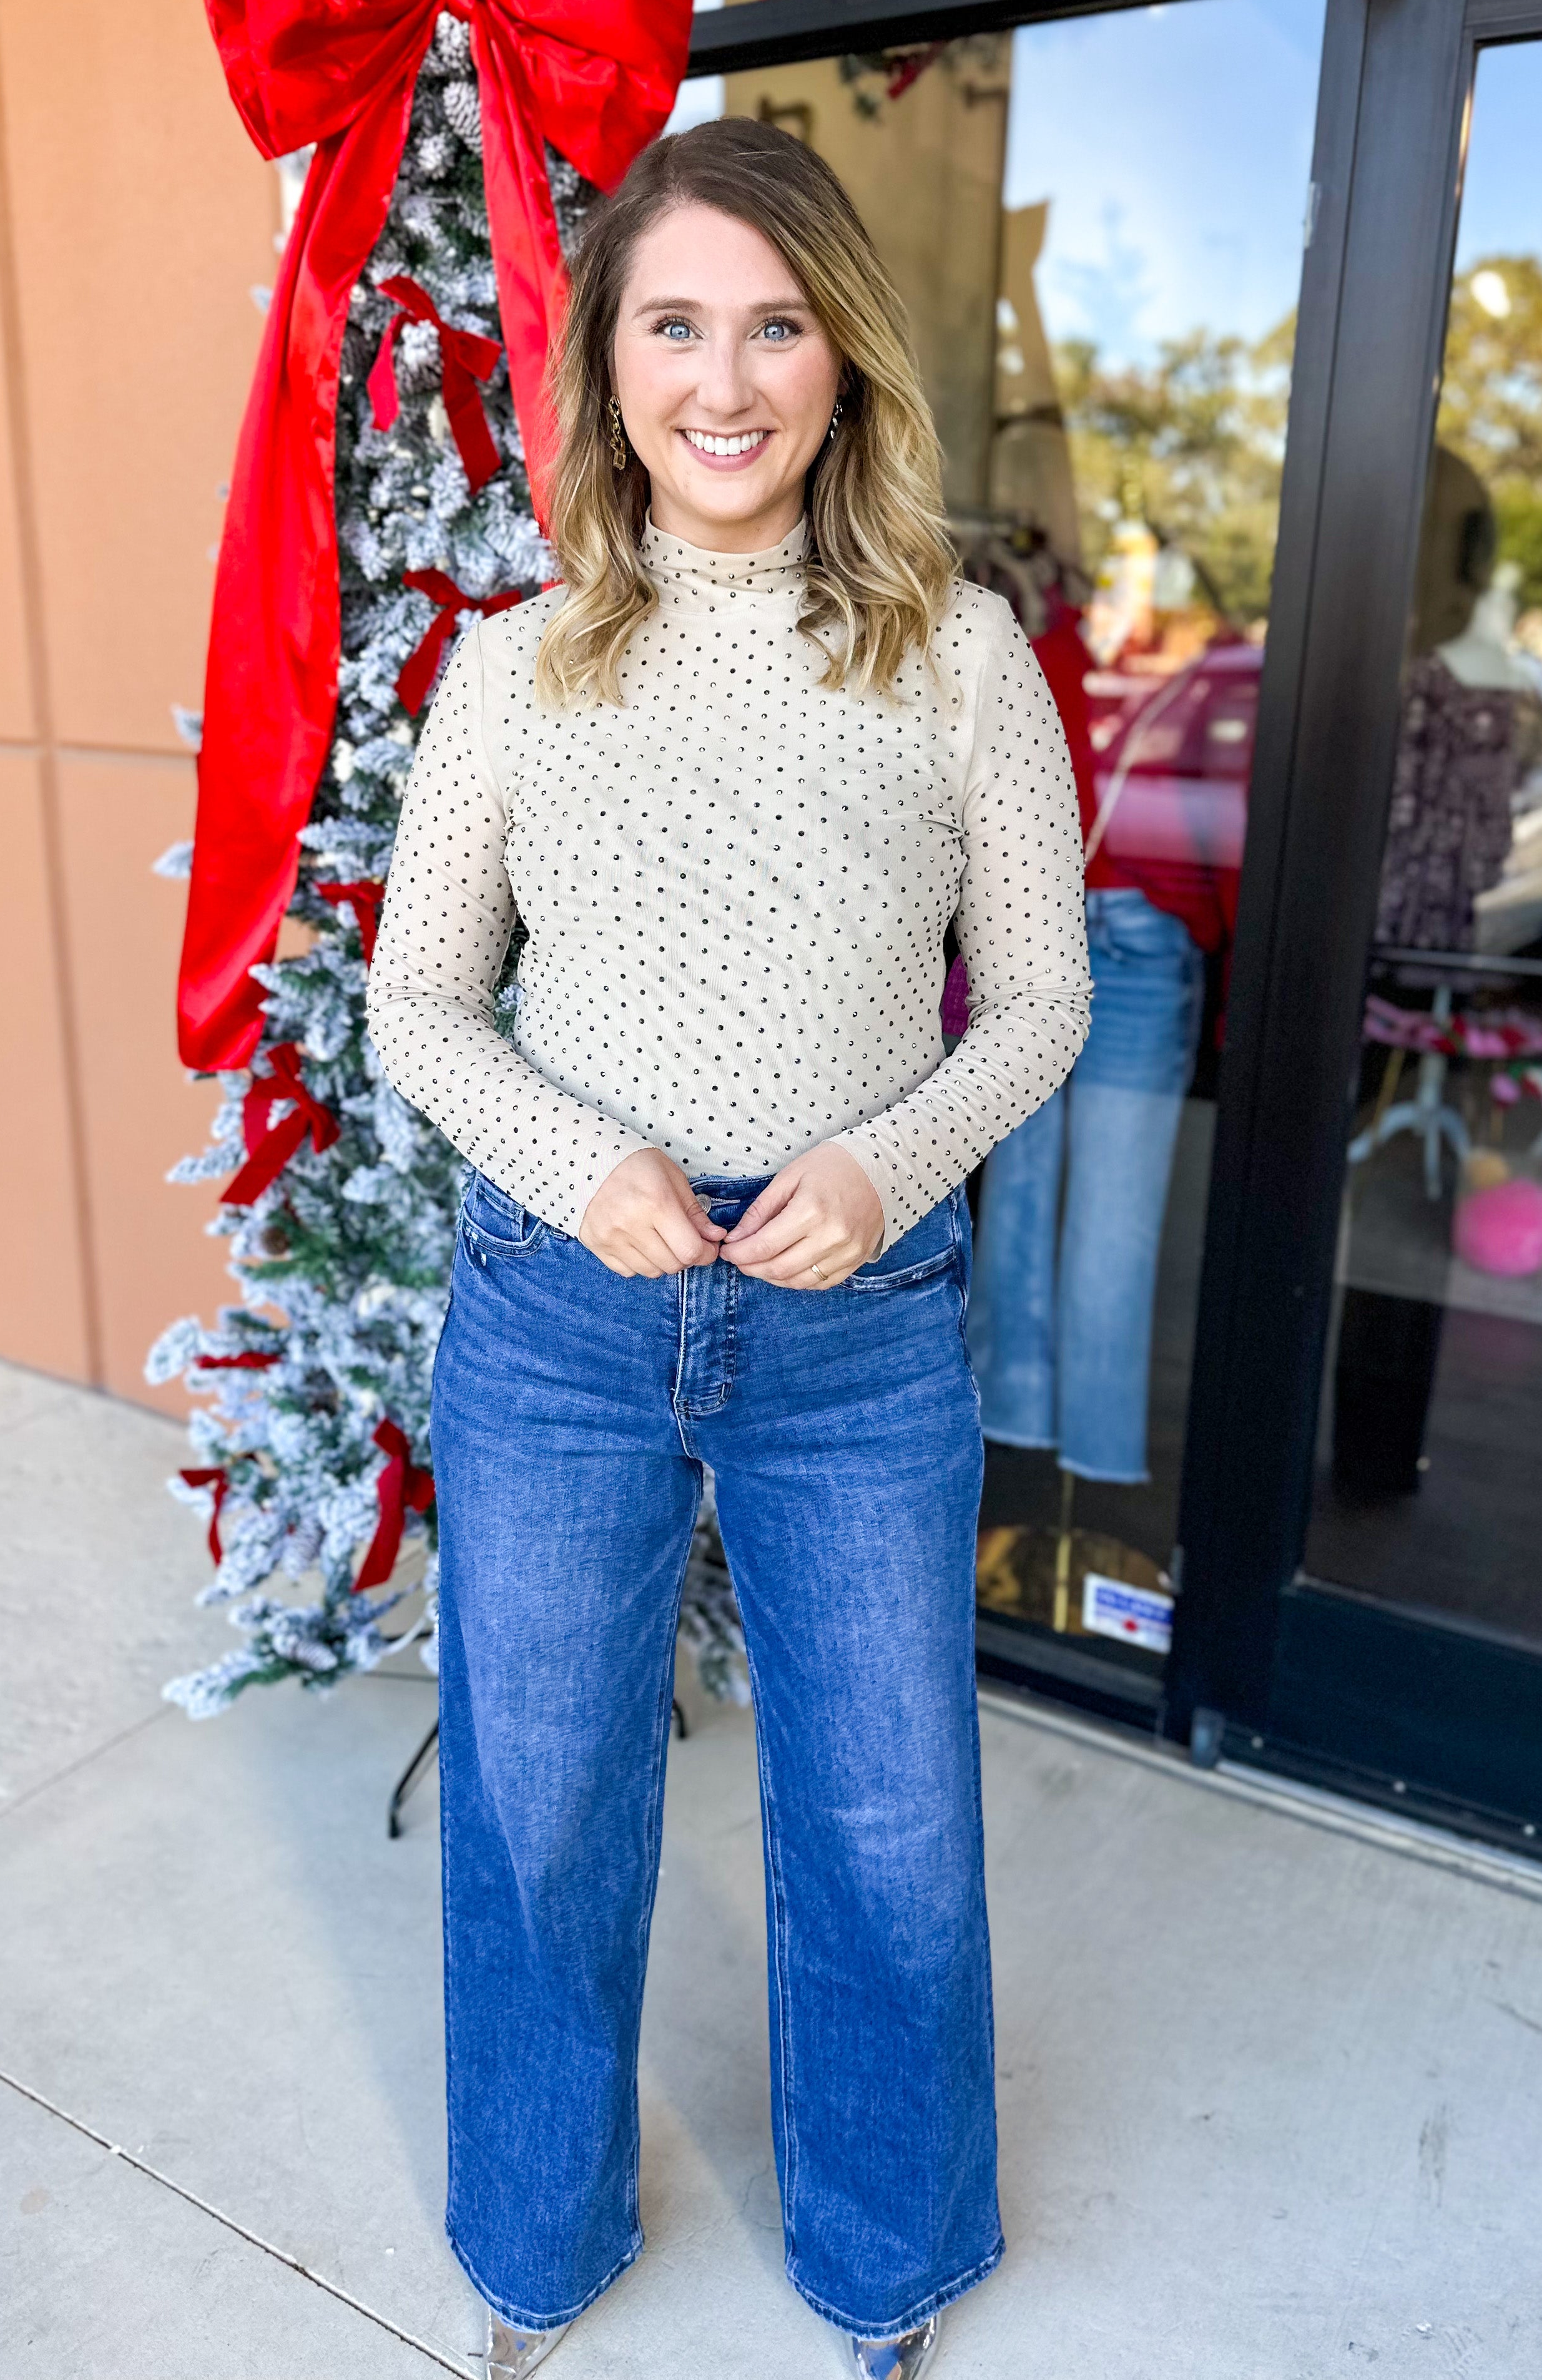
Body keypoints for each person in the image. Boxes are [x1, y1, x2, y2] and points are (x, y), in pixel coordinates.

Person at [369, 115, 1091, 2380]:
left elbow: (1043, 999)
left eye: (775, 327)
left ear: (842, 359)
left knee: (888, 1823)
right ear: (608, 363)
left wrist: (891, 1160)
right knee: (540, 1803)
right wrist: (580, 1161)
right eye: (674, 325)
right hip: (559, 1315)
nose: (725, 378)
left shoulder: (962, 656)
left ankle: (886, 2261)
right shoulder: (515, 667)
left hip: (855, 1330)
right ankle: (537, 2241)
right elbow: (417, 1002)